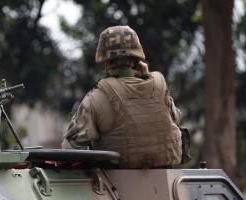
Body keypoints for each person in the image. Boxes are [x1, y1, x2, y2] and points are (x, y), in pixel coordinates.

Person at [63, 25, 186, 169]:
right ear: (137, 58)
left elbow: (70, 146)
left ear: (106, 61)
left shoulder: (98, 96)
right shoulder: (159, 84)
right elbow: (175, 118)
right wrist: (146, 77)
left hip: (116, 186)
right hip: (169, 184)